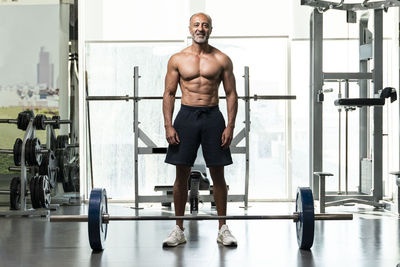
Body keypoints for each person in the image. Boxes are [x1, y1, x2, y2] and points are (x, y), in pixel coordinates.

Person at [162, 12, 238, 247]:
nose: (200, 28)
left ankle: (223, 228)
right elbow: (169, 93)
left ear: (211, 29)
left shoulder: (222, 59)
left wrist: (230, 126)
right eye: (196, 25)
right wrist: (168, 124)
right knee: (180, 175)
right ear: (189, 28)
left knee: (218, 174)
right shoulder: (177, 59)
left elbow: (231, 93)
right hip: (186, 115)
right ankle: (178, 229)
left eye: (205, 25)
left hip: (213, 116)